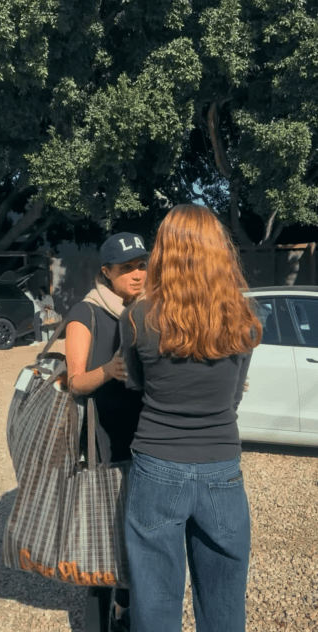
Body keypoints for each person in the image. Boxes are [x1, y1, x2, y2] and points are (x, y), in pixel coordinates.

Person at [120, 204, 263, 632]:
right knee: (223, 600)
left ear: (164, 251)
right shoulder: (244, 318)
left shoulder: (140, 316)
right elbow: (234, 397)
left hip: (157, 465)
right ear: (220, 251)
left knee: (154, 596)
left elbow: (137, 386)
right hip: (221, 467)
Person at [65, 232, 148, 632]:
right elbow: (74, 382)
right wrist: (109, 371)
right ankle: (97, 621)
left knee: (137, 542)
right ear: (106, 272)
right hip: (103, 444)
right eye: (126, 268)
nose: (137, 274)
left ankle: (126, 615)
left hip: (147, 441)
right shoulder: (87, 312)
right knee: (103, 546)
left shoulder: (148, 310)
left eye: (141, 265)